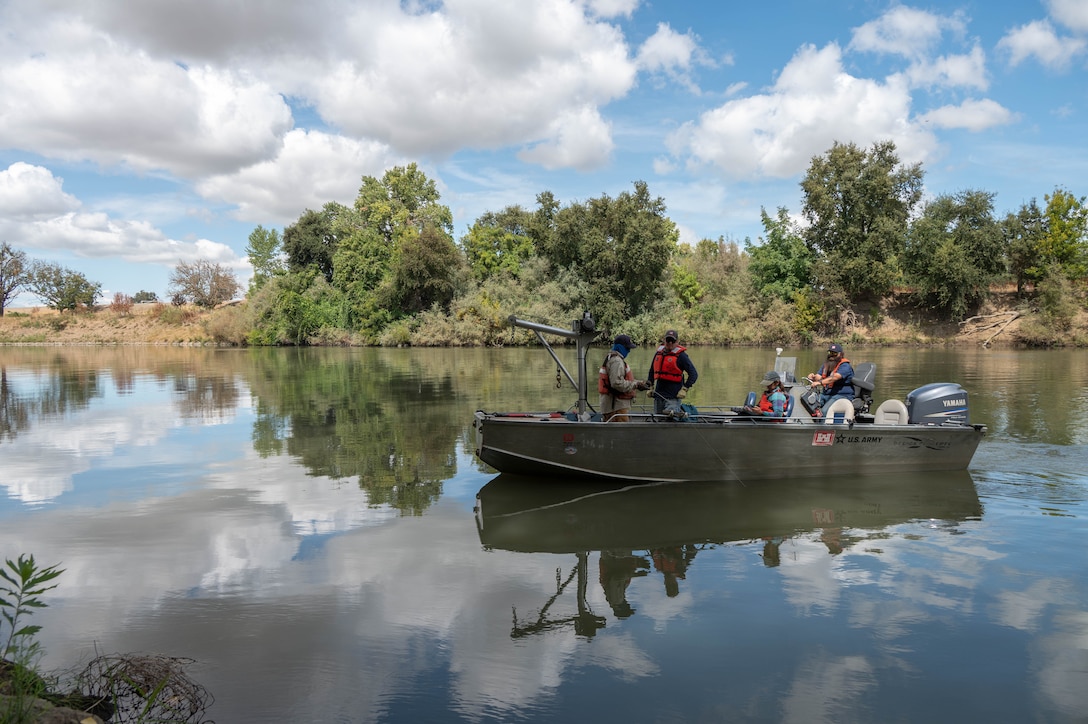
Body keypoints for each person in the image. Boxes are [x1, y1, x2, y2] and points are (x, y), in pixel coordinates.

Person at [598, 333, 650, 422]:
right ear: (619, 347)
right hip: (616, 408)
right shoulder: (617, 361)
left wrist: (641, 382)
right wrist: (636, 385)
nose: (629, 351)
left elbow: (621, 380)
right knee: (620, 434)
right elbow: (616, 383)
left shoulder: (611, 358)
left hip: (613, 407)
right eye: (627, 348)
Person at [647, 329, 698, 417]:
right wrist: (650, 386)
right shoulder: (658, 354)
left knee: (670, 418)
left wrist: (685, 388)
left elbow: (693, 374)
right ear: (664, 340)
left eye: (673, 340)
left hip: (673, 397)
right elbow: (652, 371)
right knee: (658, 419)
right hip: (658, 395)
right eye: (668, 340)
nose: (670, 343)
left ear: (677, 342)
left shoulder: (681, 356)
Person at [806, 342, 854, 415]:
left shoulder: (845, 366)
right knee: (809, 405)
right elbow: (819, 376)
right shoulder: (827, 364)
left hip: (842, 395)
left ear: (841, 354)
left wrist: (820, 382)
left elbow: (835, 377)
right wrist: (813, 377)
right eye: (830, 352)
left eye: (834, 353)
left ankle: (823, 425)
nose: (831, 355)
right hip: (827, 394)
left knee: (825, 411)